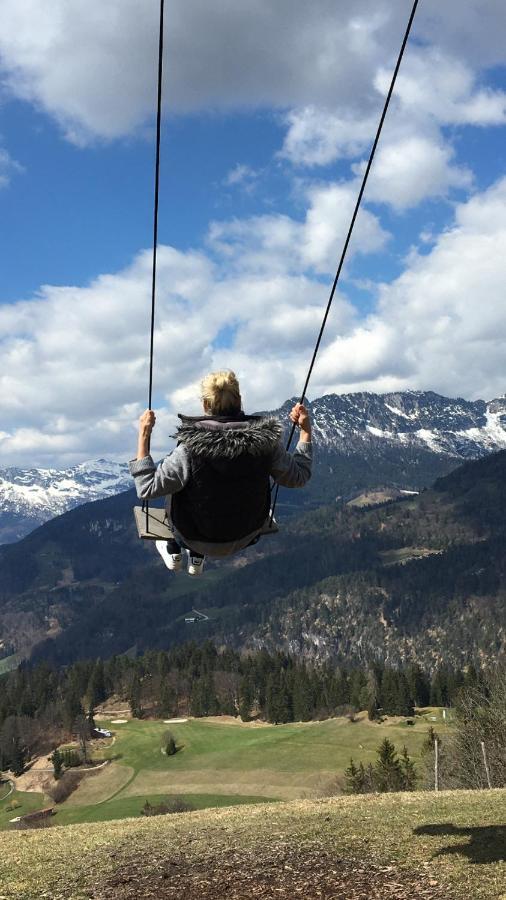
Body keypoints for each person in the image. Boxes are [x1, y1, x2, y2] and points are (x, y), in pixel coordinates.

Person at [129, 370, 312, 576]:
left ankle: (177, 548)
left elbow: (146, 488)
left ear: (205, 405)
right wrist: (305, 431)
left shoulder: (189, 449)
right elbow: (300, 477)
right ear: (240, 401)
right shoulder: (266, 444)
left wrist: (143, 435)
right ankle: (196, 556)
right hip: (246, 534)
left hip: (191, 535)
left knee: (177, 484)